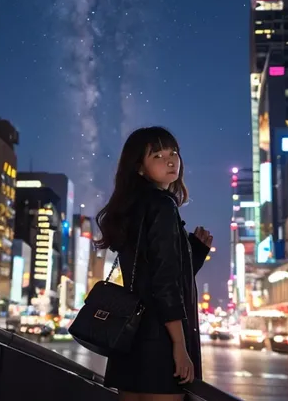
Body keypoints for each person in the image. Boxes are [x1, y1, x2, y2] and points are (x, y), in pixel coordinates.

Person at [96, 126, 213, 401]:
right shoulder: (163, 206)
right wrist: (179, 347)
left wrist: (192, 253)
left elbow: (151, 276)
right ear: (139, 168)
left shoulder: (131, 208)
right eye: (158, 155)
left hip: (129, 341)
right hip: (159, 343)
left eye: (174, 152)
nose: (171, 160)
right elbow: (164, 285)